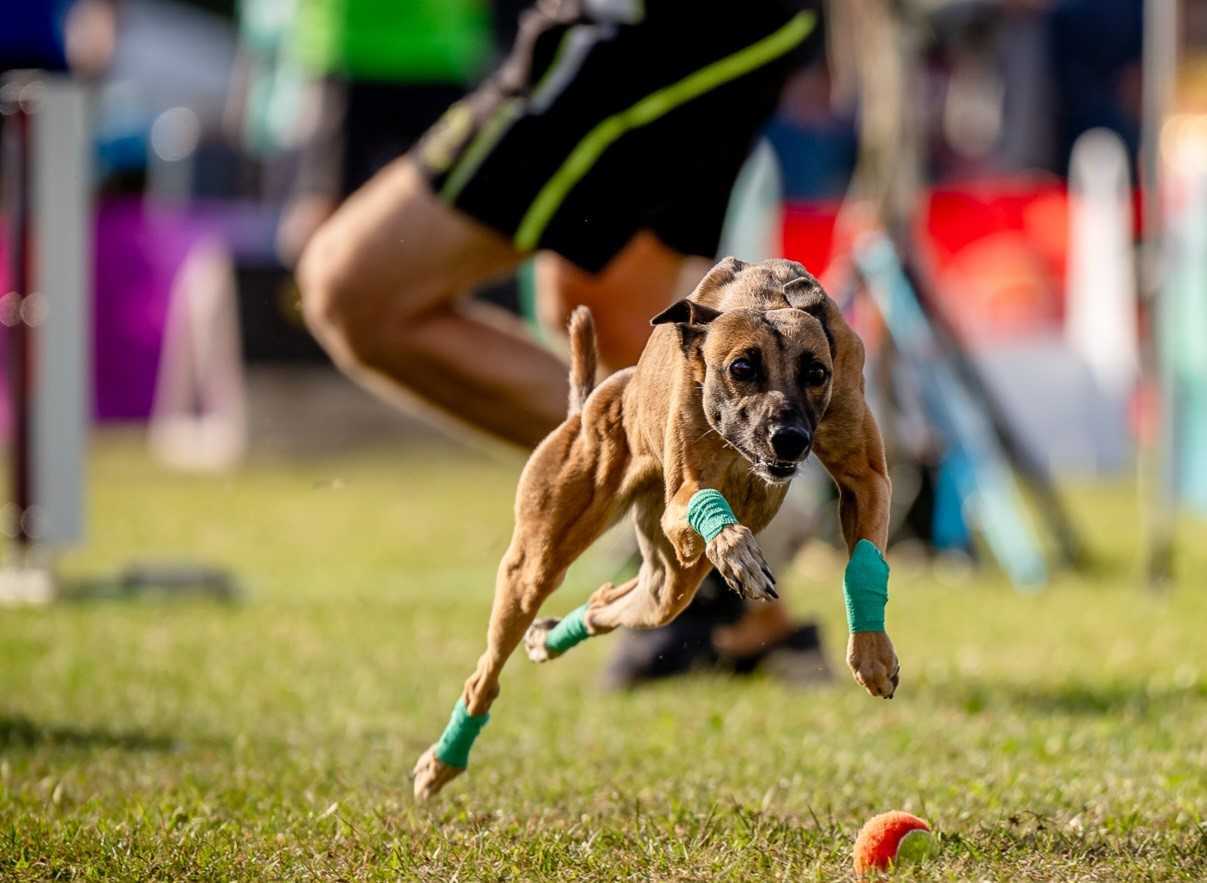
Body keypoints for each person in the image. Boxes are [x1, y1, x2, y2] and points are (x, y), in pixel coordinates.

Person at [298, 0, 831, 685]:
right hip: (668, 25)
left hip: (665, 25)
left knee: (355, 287)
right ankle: (732, 592)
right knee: (606, 318)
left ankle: (719, 522)